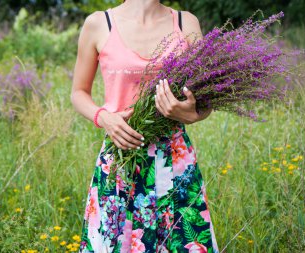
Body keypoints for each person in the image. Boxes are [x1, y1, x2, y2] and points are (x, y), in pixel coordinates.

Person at [70, 0, 219, 252]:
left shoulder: (187, 23)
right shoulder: (98, 24)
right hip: (120, 160)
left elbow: (206, 101)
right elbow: (78, 93)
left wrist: (191, 113)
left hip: (176, 161)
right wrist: (104, 117)